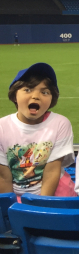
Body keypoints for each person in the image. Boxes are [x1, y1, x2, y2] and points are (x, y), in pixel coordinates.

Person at [0, 63, 74, 197]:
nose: (36, 96)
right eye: (28, 90)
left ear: (51, 99)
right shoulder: (2, 127)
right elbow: (4, 177)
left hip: (55, 192)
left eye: (45, 92)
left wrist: (41, 205)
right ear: (14, 95)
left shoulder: (60, 124)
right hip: (15, 194)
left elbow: (52, 171)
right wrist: (10, 207)